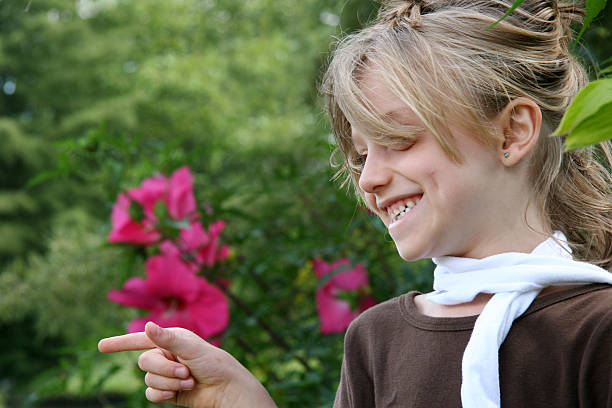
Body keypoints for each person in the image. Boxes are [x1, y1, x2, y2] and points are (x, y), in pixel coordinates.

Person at [98, 0, 612, 406]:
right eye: (361, 154)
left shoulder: (597, 330)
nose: (368, 178)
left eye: (400, 140)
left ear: (512, 131)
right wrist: (243, 400)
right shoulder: (377, 339)